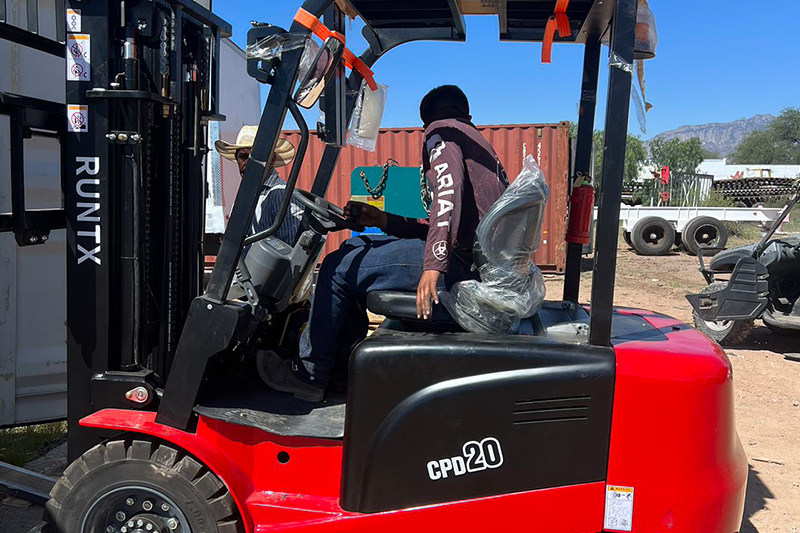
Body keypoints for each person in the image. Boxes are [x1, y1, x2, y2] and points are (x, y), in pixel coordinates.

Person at [258, 85, 510, 402]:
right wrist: (381, 219)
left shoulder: (442, 131)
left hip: (459, 267)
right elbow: (448, 216)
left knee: (337, 267)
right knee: (353, 249)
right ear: (467, 114)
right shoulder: (474, 142)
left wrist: (433, 265)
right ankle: (341, 373)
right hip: (474, 261)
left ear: (426, 121)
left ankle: (309, 374)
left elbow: (448, 193)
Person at [214, 125, 303, 246]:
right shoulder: (246, 196)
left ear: (272, 160)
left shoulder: (281, 195)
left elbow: (290, 252)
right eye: (243, 156)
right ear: (237, 160)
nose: (249, 163)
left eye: (256, 156)